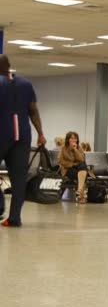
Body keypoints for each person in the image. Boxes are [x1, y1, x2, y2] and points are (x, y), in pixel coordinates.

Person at [0, 54, 46, 227]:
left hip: (2, 134)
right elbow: (33, 110)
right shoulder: (26, 84)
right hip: (22, 137)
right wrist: (40, 133)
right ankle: (14, 218)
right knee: (19, 179)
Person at [58, 132, 89, 203]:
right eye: (71, 138)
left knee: (82, 167)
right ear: (68, 139)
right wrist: (72, 164)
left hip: (79, 168)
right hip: (67, 169)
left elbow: (81, 159)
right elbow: (60, 161)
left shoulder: (79, 148)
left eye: (75, 138)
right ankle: (81, 196)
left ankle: (79, 190)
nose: (74, 140)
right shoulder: (64, 148)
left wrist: (75, 150)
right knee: (83, 173)